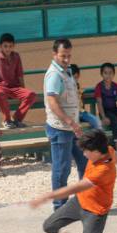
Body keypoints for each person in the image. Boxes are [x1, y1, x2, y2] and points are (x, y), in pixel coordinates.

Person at [43, 38, 88, 209]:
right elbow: (52, 102)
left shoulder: (66, 71)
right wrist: (69, 121)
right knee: (62, 170)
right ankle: (59, 207)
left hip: (72, 128)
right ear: (54, 54)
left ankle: (84, 201)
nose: (67, 59)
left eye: (69, 56)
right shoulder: (54, 75)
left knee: (85, 163)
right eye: (63, 56)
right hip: (60, 128)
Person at [0, 33, 37, 129]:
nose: (8, 49)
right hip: (1, 87)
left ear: (14, 46)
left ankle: (16, 118)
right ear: (1, 46)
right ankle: (6, 120)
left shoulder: (16, 56)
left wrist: (23, 91)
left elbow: (20, 74)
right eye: (5, 46)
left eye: (10, 46)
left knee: (31, 94)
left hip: (15, 87)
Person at [69, 64, 102, 131]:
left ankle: (99, 139)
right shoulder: (65, 89)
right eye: (72, 78)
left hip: (81, 112)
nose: (74, 80)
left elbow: (81, 99)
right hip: (71, 114)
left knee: (96, 121)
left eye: (76, 77)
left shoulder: (78, 86)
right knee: (76, 128)